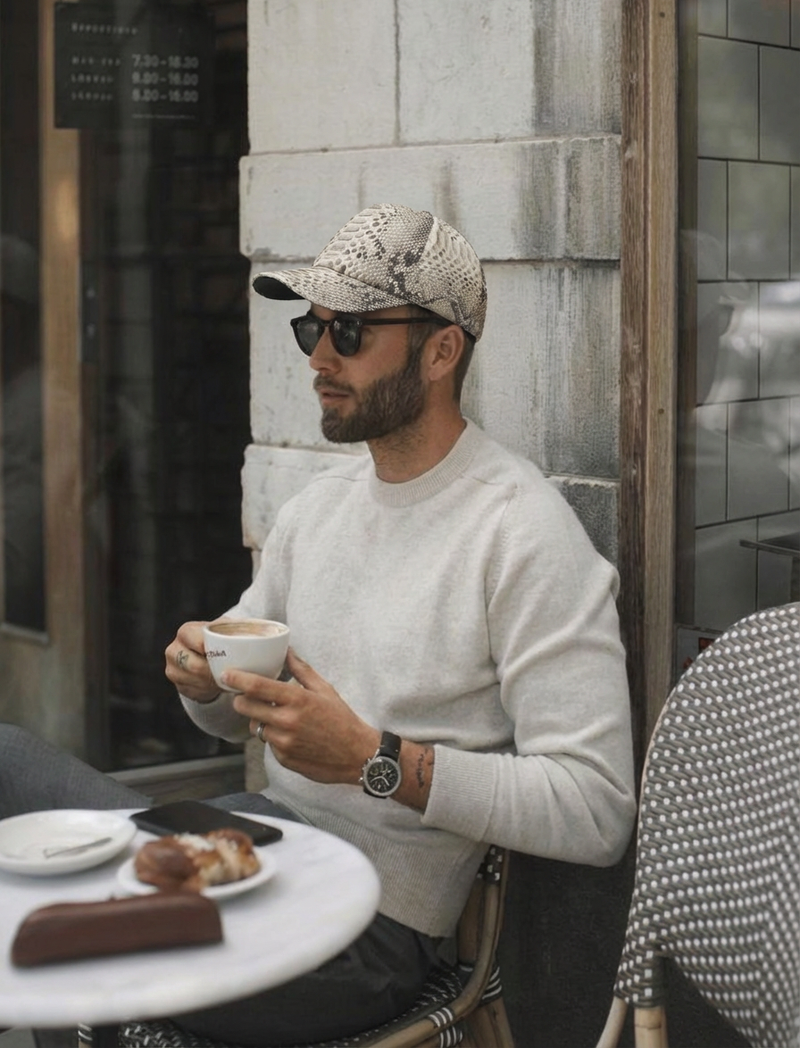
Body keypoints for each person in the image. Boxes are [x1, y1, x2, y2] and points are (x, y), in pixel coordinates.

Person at [0, 203, 636, 1046]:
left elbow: (597, 809)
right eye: (312, 327)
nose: (320, 358)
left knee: (65, 947)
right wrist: (206, 678)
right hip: (256, 846)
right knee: (16, 793)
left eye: (351, 331)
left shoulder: (522, 531)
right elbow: (236, 705)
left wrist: (379, 763)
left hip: (372, 925)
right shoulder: (319, 509)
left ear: (442, 350)